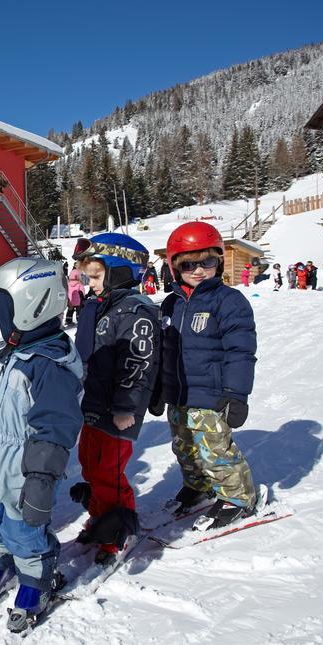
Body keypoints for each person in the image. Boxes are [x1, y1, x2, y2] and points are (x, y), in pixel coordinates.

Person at [0, 257, 83, 633]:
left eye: (5, 304)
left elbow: (55, 427)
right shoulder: (7, 354)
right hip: (1, 450)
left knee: (24, 525)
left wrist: (42, 479)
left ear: (32, 305)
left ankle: (36, 577)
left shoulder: (49, 365)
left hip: (29, 460)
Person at [155, 222, 259, 531]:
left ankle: (239, 497)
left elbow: (241, 351)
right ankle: (198, 485)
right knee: (184, 447)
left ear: (219, 261)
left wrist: (236, 394)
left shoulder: (229, 301)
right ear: (175, 267)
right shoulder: (171, 304)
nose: (199, 270)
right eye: (189, 264)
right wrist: (159, 387)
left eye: (207, 262)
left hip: (212, 394)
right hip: (179, 394)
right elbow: (165, 350)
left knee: (214, 449)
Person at [70, 252, 159, 565]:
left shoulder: (136, 311)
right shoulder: (103, 307)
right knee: (91, 465)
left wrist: (125, 407)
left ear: (119, 274)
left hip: (120, 409)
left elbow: (138, 363)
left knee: (109, 471)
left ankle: (120, 528)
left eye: (95, 277)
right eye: (87, 277)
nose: (89, 284)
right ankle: (101, 519)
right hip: (94, 402)